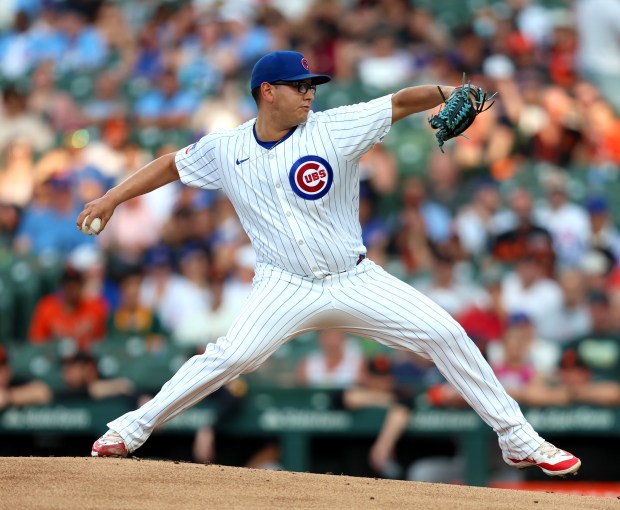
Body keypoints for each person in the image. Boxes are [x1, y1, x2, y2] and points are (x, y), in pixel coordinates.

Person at [79, 50, 580, 477]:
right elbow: (171, 163)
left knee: (446, 335)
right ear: (266, 91)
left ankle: (517, 439)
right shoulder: (226, 148)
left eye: (312, 85)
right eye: (299, 86)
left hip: (353, 277)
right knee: (232, 356)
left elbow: (402, 101)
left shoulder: (335, 128)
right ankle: (130, 429)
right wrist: (110, 199)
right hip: (284, 284)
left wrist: (450, 91)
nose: (309, 93)